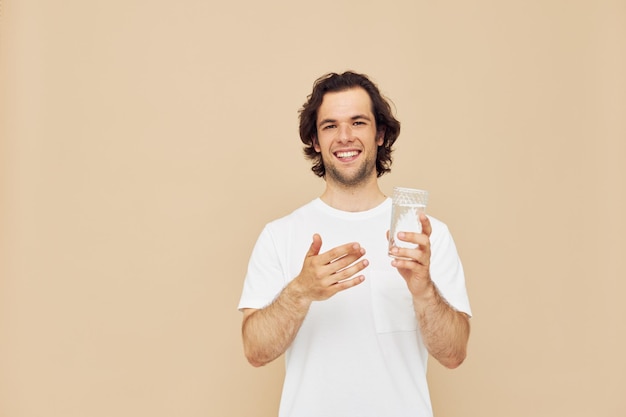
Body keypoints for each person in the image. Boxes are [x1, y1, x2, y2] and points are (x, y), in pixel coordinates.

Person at [238, 71, 471, 417]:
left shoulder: (425, 235)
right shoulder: (280, 234)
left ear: (379, 134)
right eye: (330, 126)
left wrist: (423, 291)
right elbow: (255, 351)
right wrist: (300, 291)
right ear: (315, 140)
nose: (344, 137)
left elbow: (454, 354)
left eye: (358, 122)